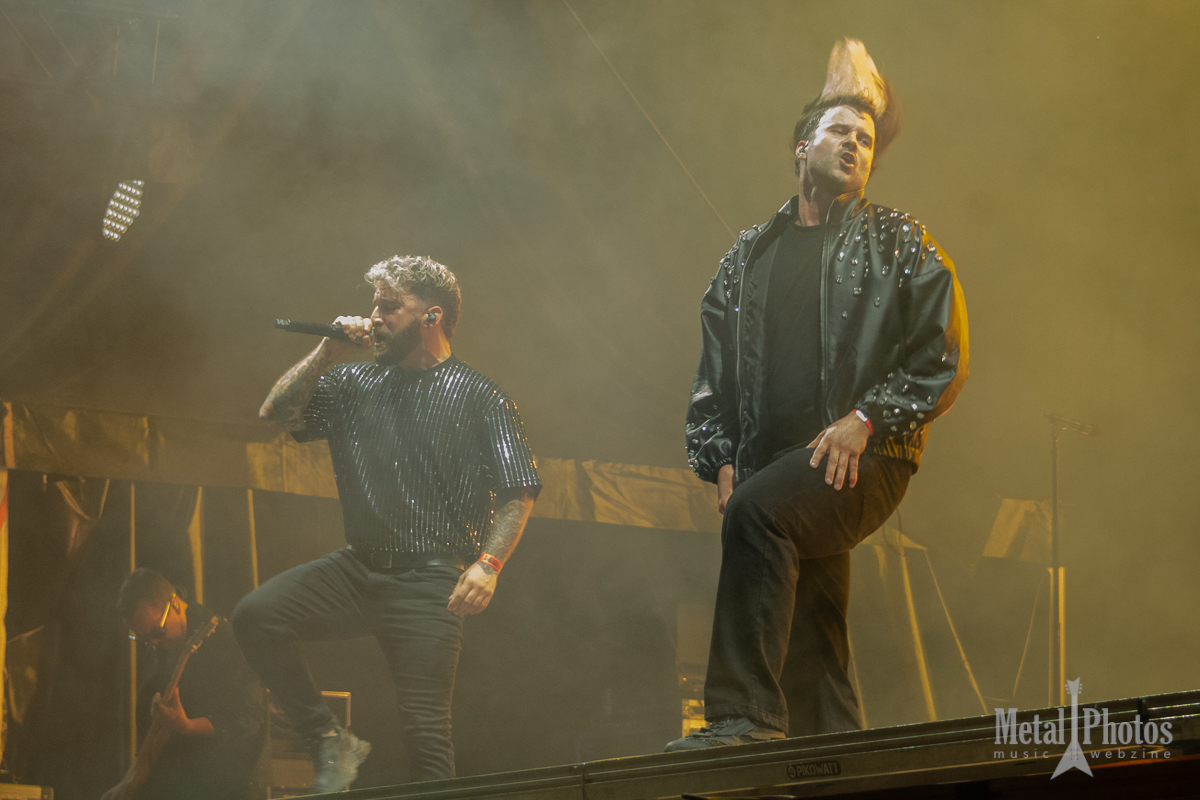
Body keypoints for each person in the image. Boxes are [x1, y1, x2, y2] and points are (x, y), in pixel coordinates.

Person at [667, 39, 968, 750]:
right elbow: (714, 372)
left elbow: (944, 357)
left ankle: (742, 717)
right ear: (802, 148)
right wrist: (721, 458)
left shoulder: (898, 240)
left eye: (867, 139)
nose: (857, 145)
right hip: (777, 459)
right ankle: (834, 757)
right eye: (841, 132)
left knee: (759, 517)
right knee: (814, 617)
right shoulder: (749, 256)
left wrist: (867, 419)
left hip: (866, 454)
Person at [233, 255, 541, 788]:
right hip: (359, 568)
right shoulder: (353, 382)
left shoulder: (481, 395)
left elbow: (520, 490)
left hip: (430, 580)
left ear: (432, 316)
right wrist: (327, 350)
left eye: (390, 307)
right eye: (373, 306)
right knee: (256, 617)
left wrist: (489, 564)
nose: (374, 318)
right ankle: (328, 739)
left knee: (426, 733)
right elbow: (274, 414)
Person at [104, 569, 267, 800]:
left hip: (229, 786)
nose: (153, 643)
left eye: (157, 632)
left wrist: (188, 726)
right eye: (143, 639)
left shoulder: (226, 640)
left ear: (175, 604)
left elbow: (249, 717)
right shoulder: (158, 649)